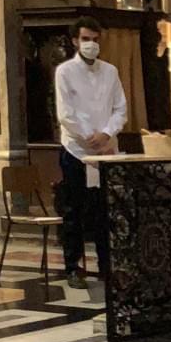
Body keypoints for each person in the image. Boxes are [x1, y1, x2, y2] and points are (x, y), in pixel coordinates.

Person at [55, 17, 127, 288]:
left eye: (96, 40)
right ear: (75, 41)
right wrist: (89, 137)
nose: (92, 45)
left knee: (104, 212)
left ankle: (107, 266)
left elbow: (120, 108)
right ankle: (73, 267)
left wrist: (107, 133)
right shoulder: (64, 72)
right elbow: (66, 113)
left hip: (107, 151)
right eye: (86, 39)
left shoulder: (110, 71)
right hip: (76, 150)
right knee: (74, 211)